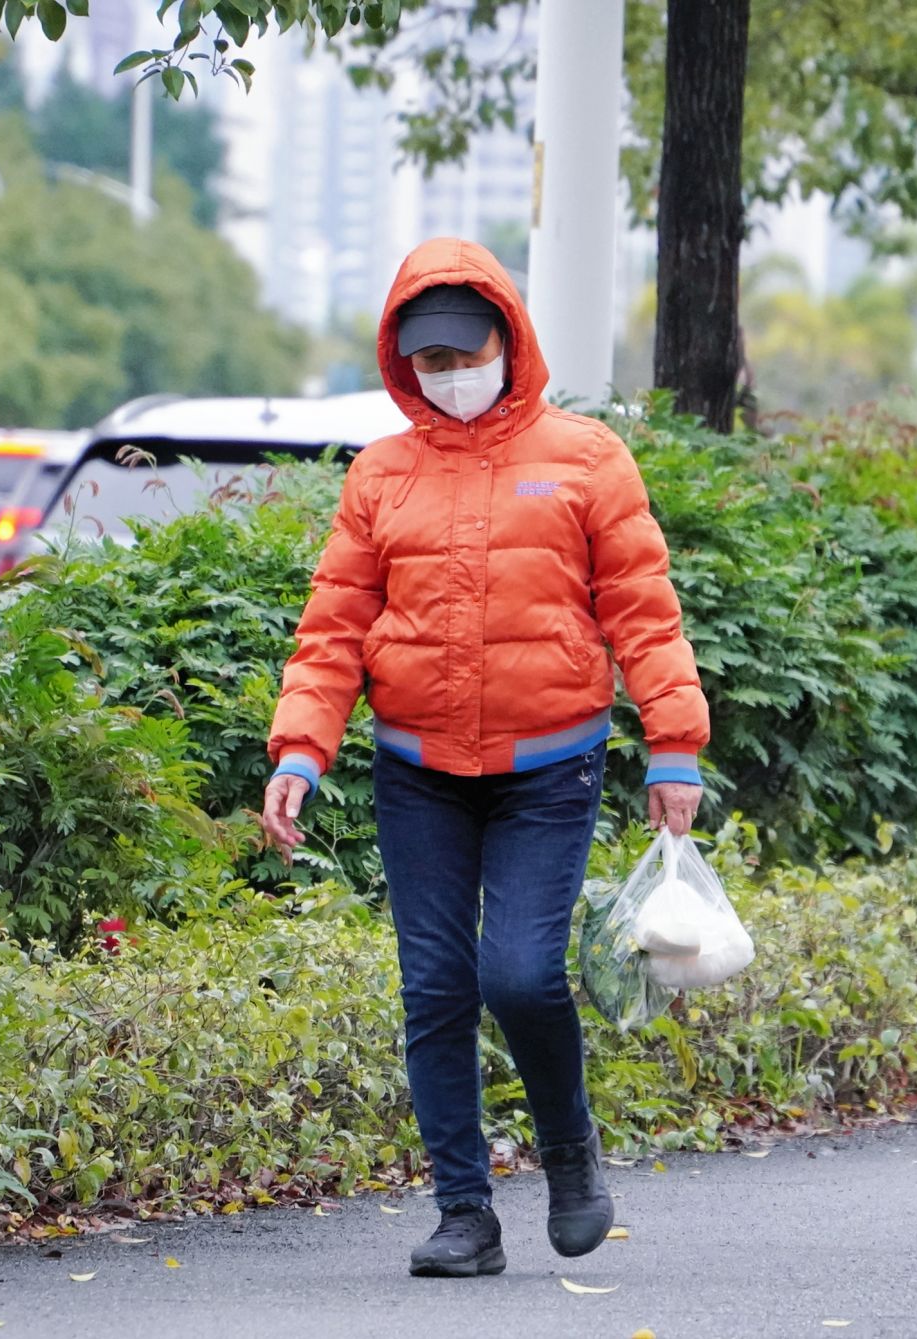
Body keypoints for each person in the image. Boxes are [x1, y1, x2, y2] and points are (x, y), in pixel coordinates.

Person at [259, 238, 710, 1276]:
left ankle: (570, 1153)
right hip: (418, 767)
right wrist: (300, 748)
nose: (448, 374)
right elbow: (332, 627)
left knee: (517, 971)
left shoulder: (588, 458)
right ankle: (464, 1212)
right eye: (427, 360)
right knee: (436, 987)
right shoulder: (381, 473)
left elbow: (643, 611)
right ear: (402, 361)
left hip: (550, 764)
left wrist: (674, 746)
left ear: (509, 340)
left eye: (465, 351)